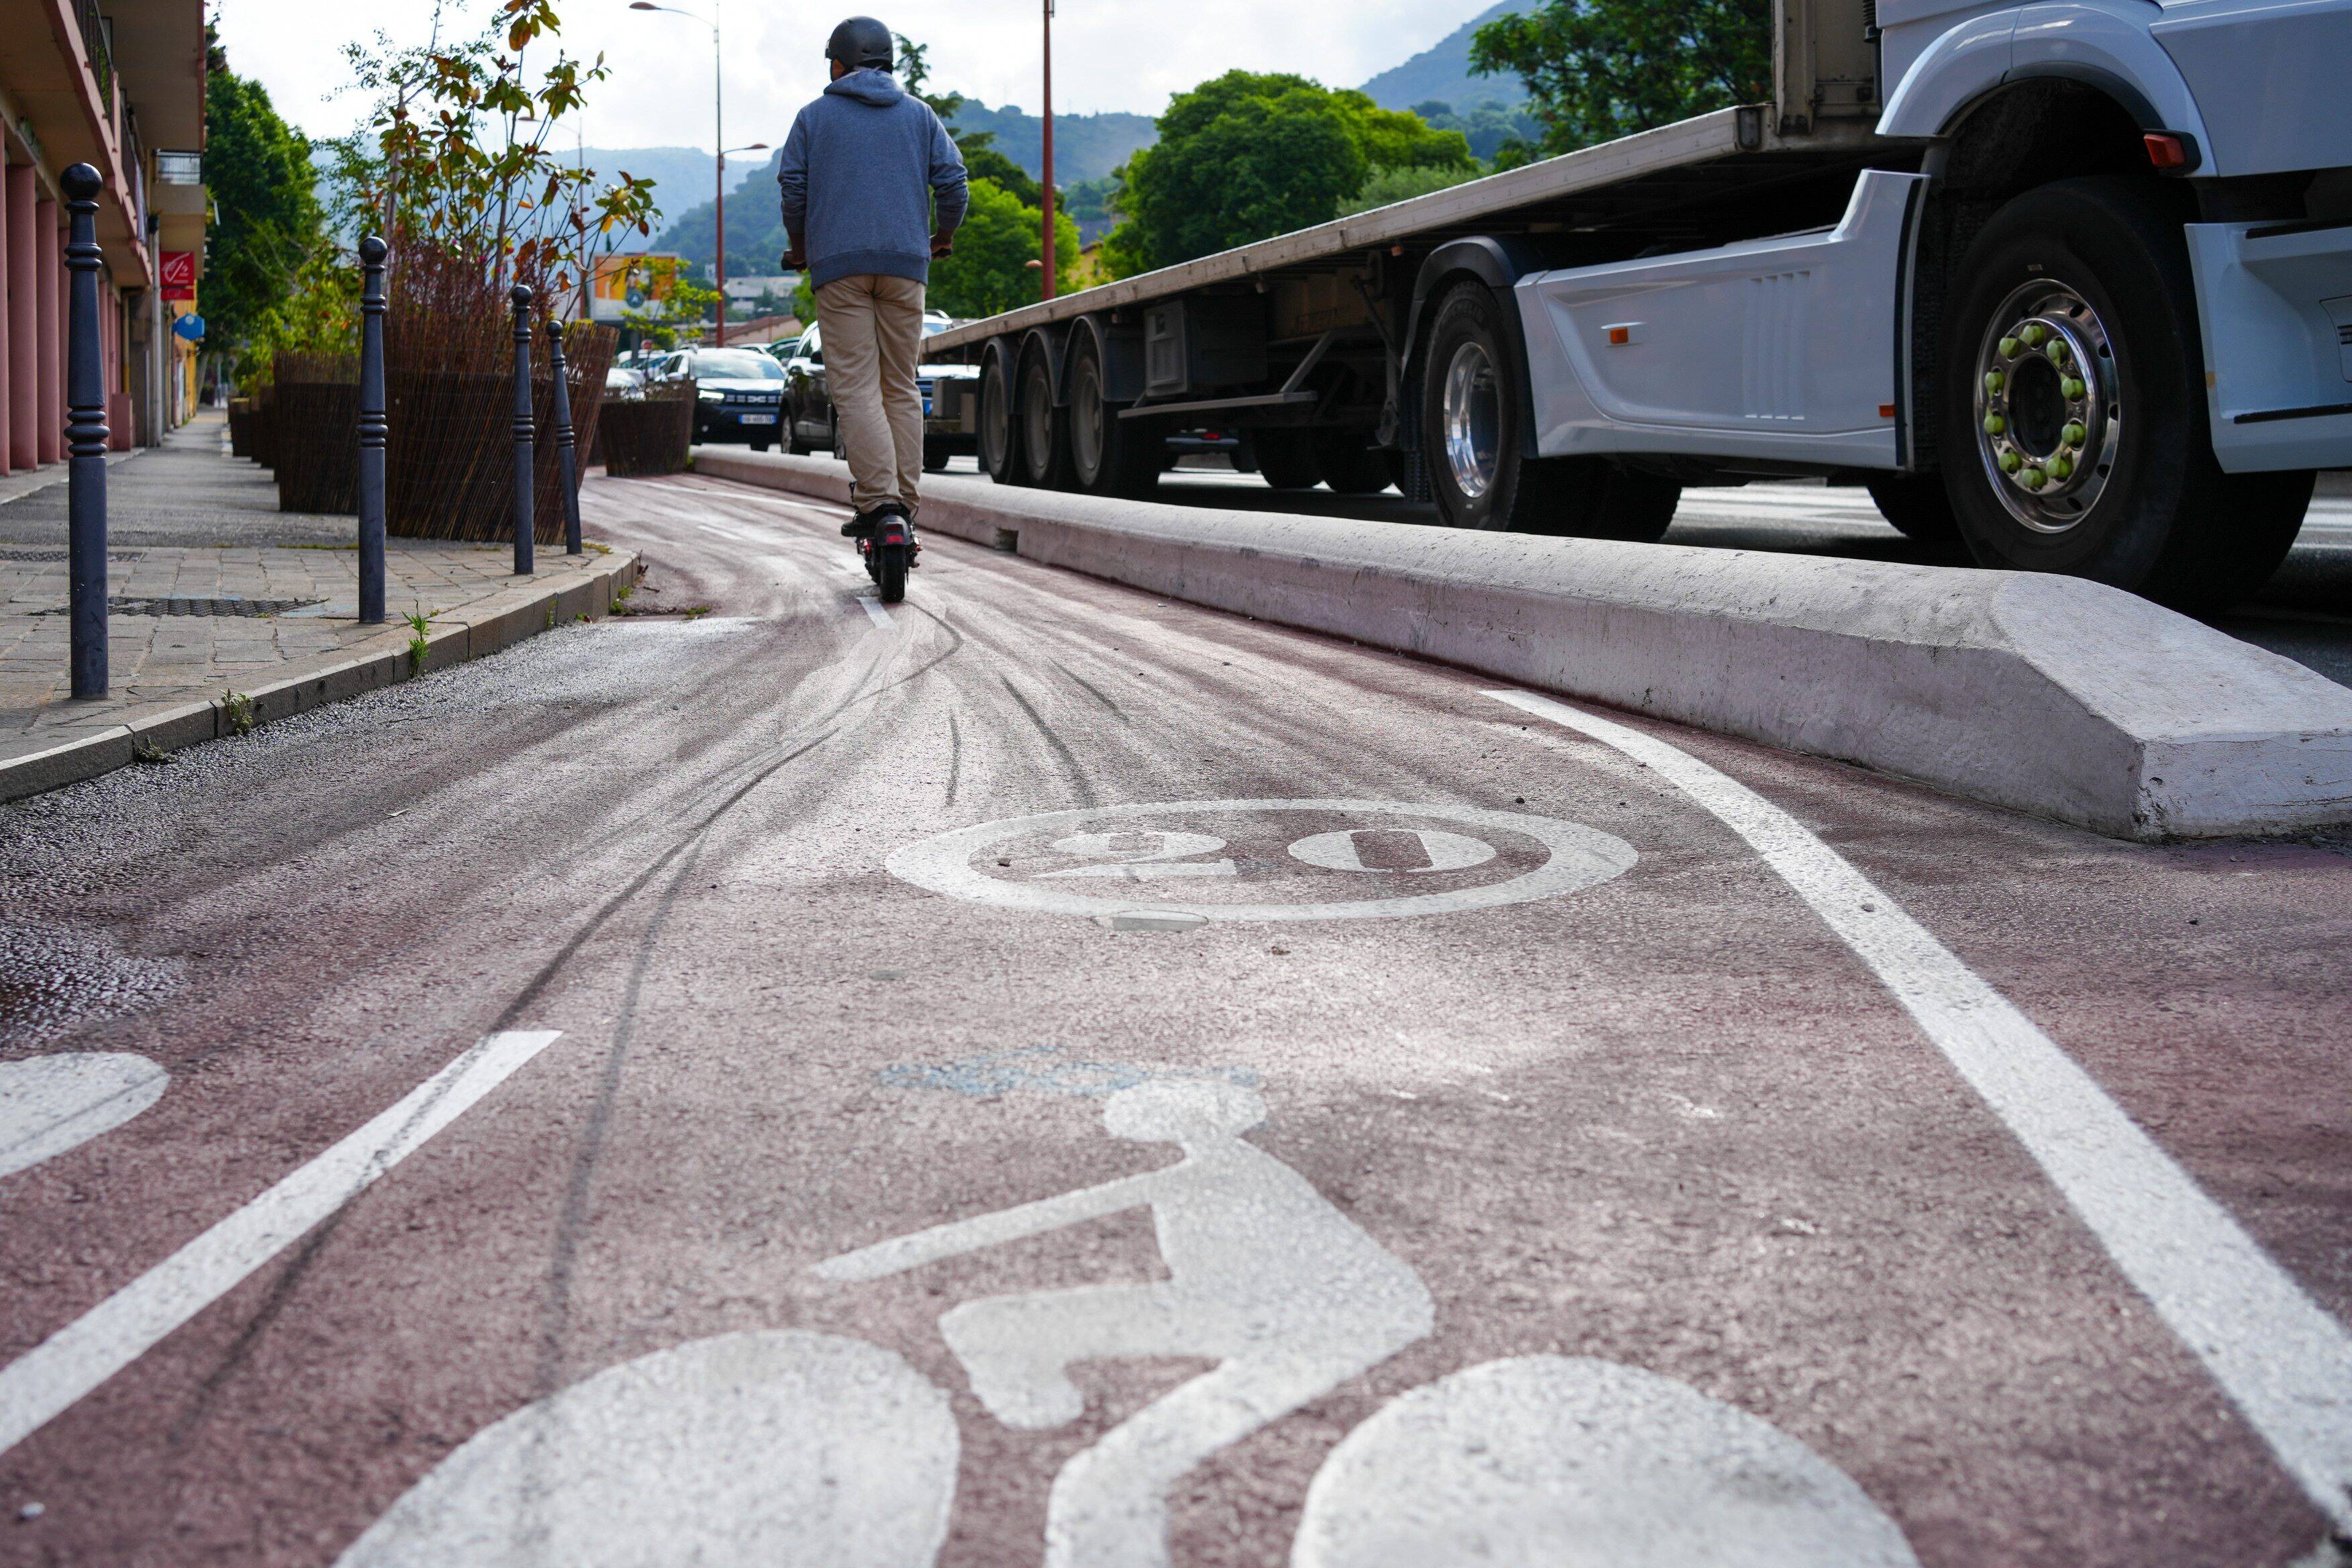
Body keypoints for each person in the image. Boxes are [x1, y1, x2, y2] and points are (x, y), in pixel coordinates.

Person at [778, 16, 969, 539]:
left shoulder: (813, 117)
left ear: (839, 64)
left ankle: (879, 501)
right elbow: (954, 183)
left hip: (839, 270)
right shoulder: (920, 115)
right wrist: (943, 236)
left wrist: (800, 247)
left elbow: (793, 189)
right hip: (906, 265)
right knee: (900, 384)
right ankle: (905, 505)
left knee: (856, 387)